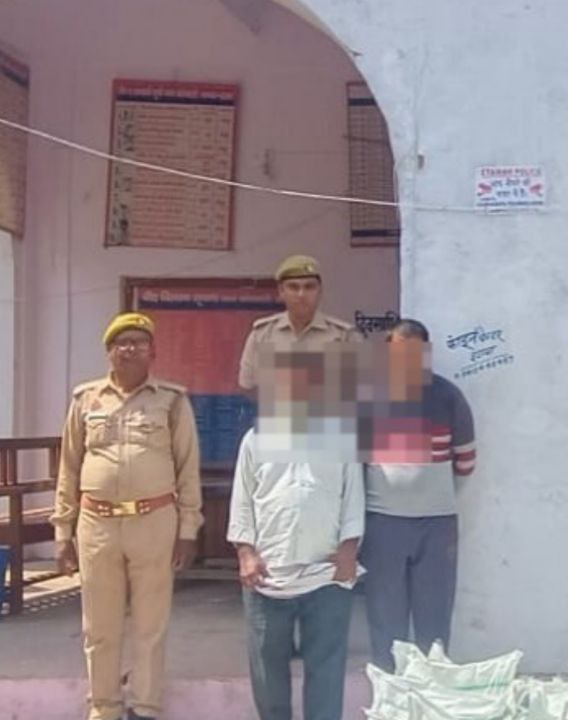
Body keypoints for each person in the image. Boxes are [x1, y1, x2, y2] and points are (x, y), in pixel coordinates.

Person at [52, 312, 203, 720]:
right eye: (122, 342)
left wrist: (188, 529)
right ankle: (104, 706)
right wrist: (63, 532)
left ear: (152, 352)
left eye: (139, 342)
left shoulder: (172, 401)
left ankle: (146, 706)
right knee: (99, 626)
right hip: (96, 523)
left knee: (151, 623)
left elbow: (187, 468)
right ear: (109, 352)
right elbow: (68, 468)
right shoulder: (86, 400)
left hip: (154, 521)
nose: (130, 349)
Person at [227, 349, 365, 720]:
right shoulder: (255, 439)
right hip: (267, 574)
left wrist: (349, 551)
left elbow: (353, 499)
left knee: (327, 669)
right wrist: (246, 554)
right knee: (268, 671)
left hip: (326, 573)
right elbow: (242, 501)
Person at [361, 319, 477, 670]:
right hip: (383, 524)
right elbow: (353, 465)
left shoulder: (448, 397)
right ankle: (389, 691)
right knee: (385, 619)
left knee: (434, 619)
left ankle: (432, 692)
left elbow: (466, 462)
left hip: (436, 526)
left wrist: (429, 495)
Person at [238, 254, 359, 391]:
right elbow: (247, 387)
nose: (301, 294)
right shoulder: (262, 334)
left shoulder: (345, 336)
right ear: (281, 291)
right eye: (293, 287)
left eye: (309, 287)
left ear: (320, 291)